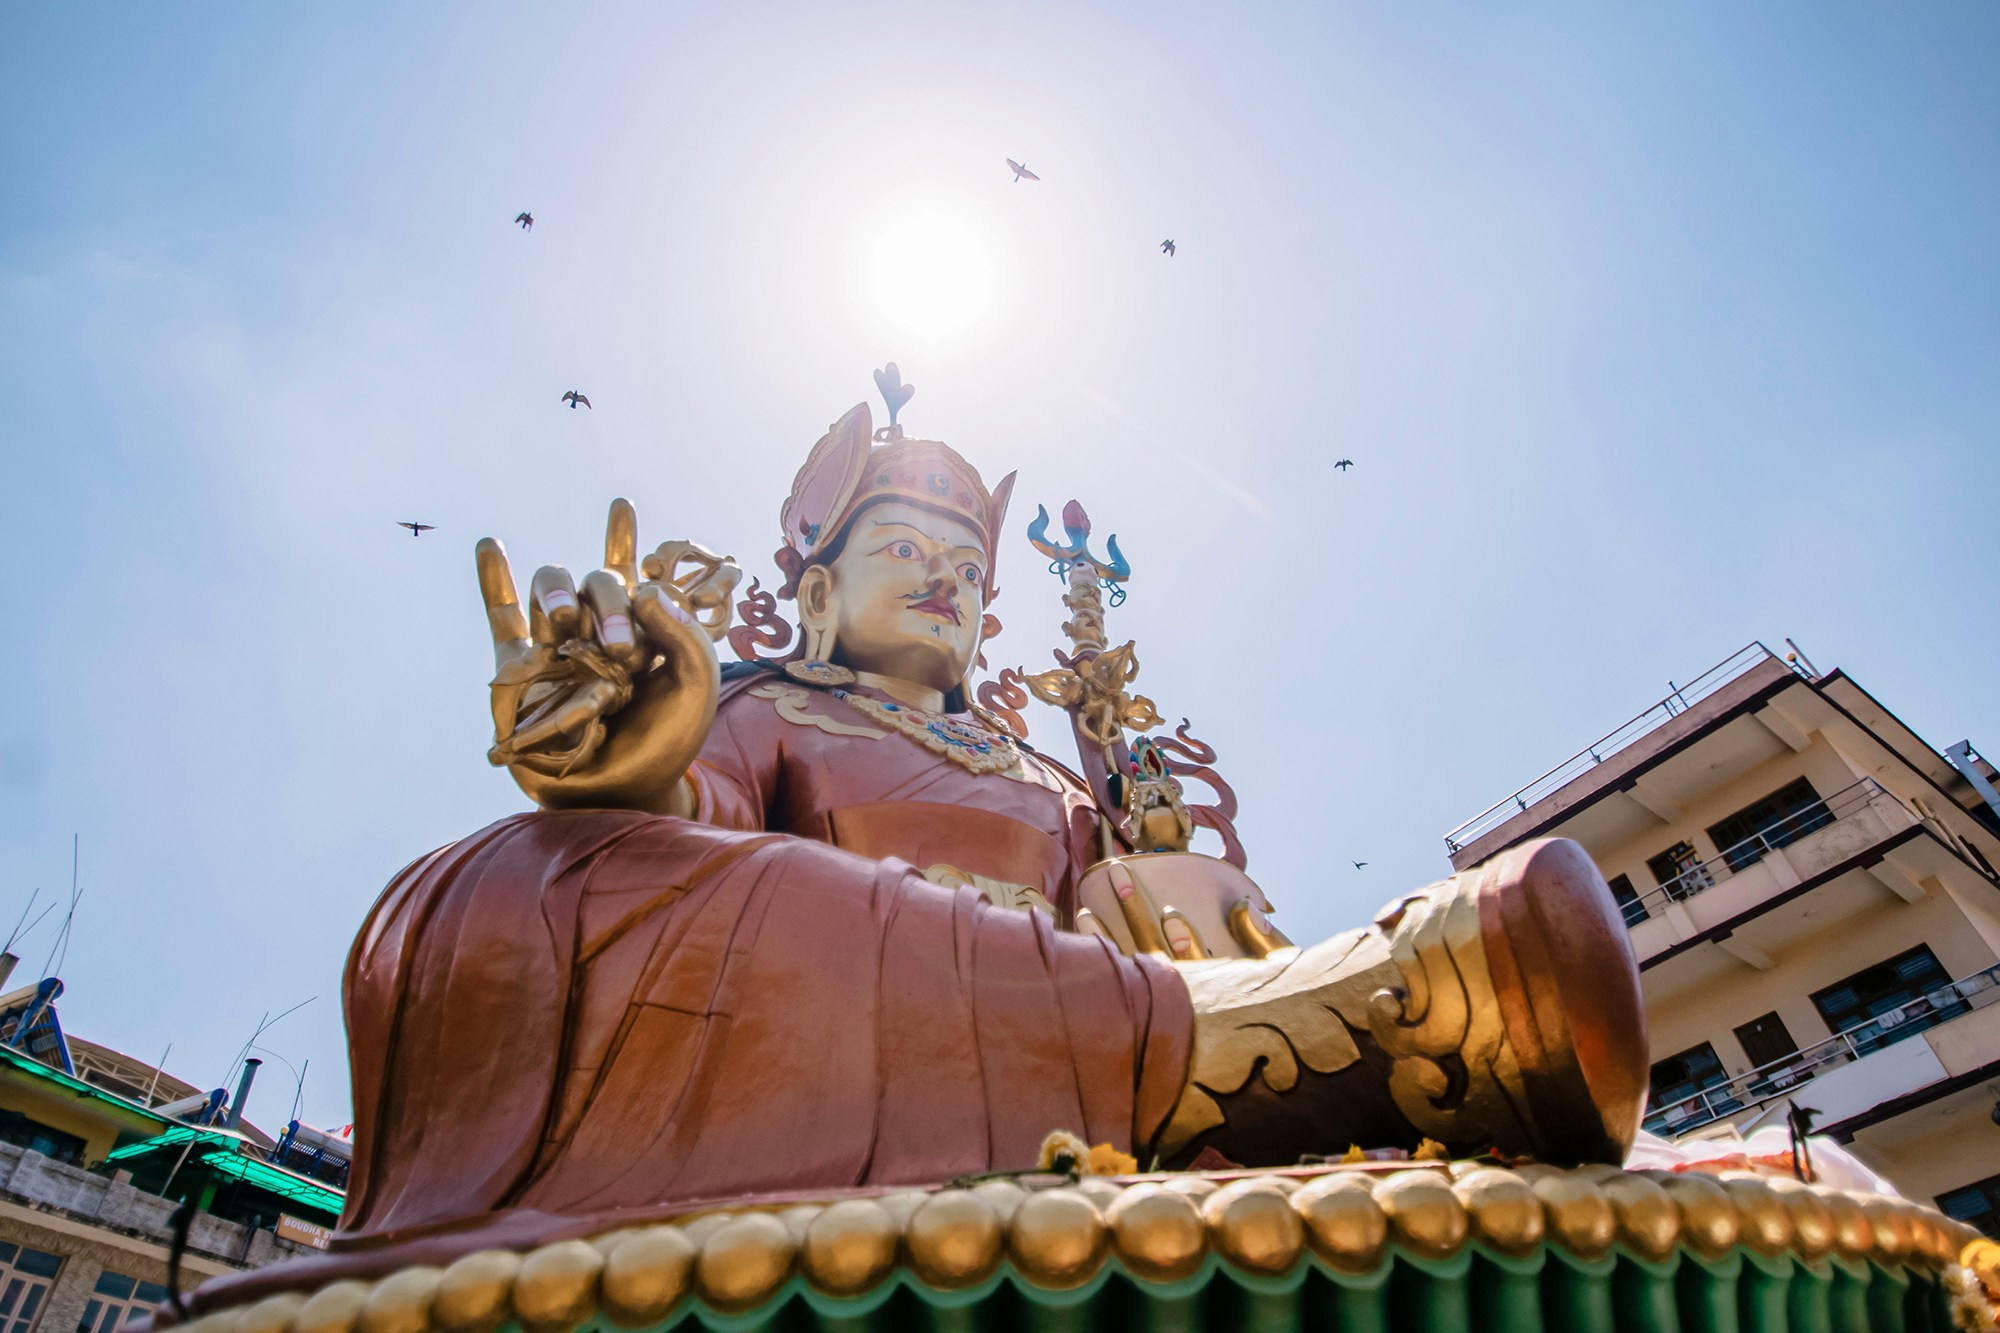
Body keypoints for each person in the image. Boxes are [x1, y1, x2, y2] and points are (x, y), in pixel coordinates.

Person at [334, 393, 1647, 1263]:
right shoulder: (765, 708)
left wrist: (1143, 887)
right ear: (816, 588)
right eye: (903, 548)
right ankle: (1350, 1038)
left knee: (1160, 887)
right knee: (520, 879)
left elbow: (1132, 914)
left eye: (966, 569)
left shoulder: (1039, 775)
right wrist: (638, 764)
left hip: (1081, 1048)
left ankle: (1295, 1044)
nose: (946, 580)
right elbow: (675, 864)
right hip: (840, 1047)